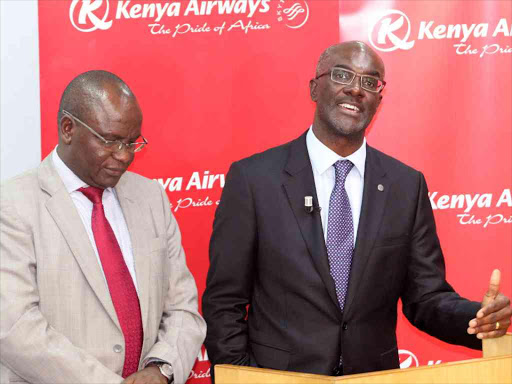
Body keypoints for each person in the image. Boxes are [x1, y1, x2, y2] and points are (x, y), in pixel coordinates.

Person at [202, 41, 512, 378]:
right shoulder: (254, 180)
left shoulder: (405, 186)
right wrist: (245, 376)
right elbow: (224, 301)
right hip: (277, 376)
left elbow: (425, 296)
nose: (355, 89)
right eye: (342, 75)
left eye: (370, 82)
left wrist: (476, 318)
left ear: (380, 99)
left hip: (373, 375)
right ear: (314, 87)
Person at [0, 70, 206, 384]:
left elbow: (182, 306)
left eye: (132, 142)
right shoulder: (13, 206)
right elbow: (14, 327)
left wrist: (161, 369)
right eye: (110, 141)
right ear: (68, 128)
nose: (124, 156)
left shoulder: (151, 198)